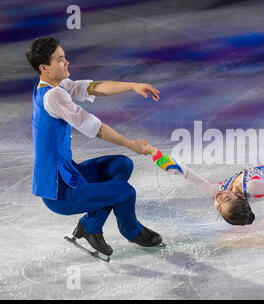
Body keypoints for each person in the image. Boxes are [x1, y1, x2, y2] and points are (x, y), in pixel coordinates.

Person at [26, 37, 162, 257]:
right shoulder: (54, 96)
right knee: (125, 192)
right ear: (44, 67)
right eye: (60, 60)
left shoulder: (53, 86)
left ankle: (90, 225)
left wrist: (133, 86)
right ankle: (131, 230)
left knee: (121, 165)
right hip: (58, 191)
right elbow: (95, 128)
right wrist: (132, 144)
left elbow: (91, 87)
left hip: (69, 172)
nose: (67, 62)